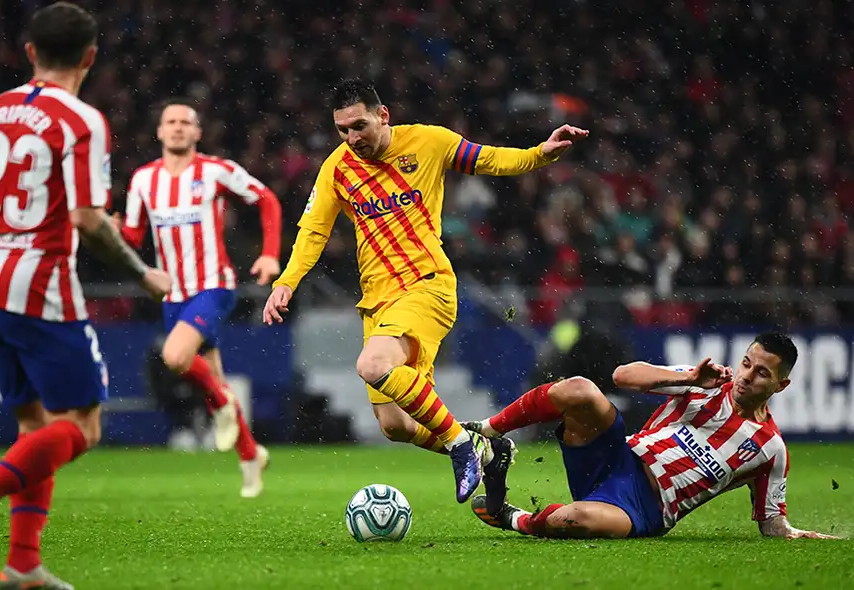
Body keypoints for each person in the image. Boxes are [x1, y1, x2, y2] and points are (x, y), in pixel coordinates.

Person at [0, 3, 171, 587]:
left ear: (29, 53)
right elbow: (87, 220)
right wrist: (143, 271)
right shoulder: (81, 121)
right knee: (85, 425)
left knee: (35, 427)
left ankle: (23, 565)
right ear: (91, 57)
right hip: (40, 287)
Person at [262, 78, 588, 508]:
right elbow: (313, 231)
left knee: (372, 364)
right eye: (342, 130)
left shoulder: (428, 141)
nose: (351, 138)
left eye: (359, 126)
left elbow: (488, 159)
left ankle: (461, 444)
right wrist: (286, 281)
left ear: (383, 115)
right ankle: (490, 451)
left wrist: (539, 154)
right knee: (395, 425)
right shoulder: (337, 167)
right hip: (376, 302)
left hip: (425, 286)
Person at [466, 332, 840, 540]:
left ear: (781, 384)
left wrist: (798, 534)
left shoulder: (770, 449)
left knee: (576, 518)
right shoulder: (705, 382)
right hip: (617, 455)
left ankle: (510, 516)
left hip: (644, 509)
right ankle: (487, 433)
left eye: (761, 372)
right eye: (746, 363)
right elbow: (622, 377)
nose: (746, 376)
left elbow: (771, 522)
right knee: (579, 389)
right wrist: (688, 378)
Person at [117, 98, 280, 497]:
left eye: (184, 122)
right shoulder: (142, 181)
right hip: (173, 295)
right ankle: (250, 456)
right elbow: (133, 239)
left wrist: (270, 253)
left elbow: (266, 199)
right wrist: (112, 229)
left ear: (197, 133)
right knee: (212, 379)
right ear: (159, 131)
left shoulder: (215, 171)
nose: (176, 127)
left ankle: (223, 403)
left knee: (174, 357)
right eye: (169, 121)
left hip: (213, 285)